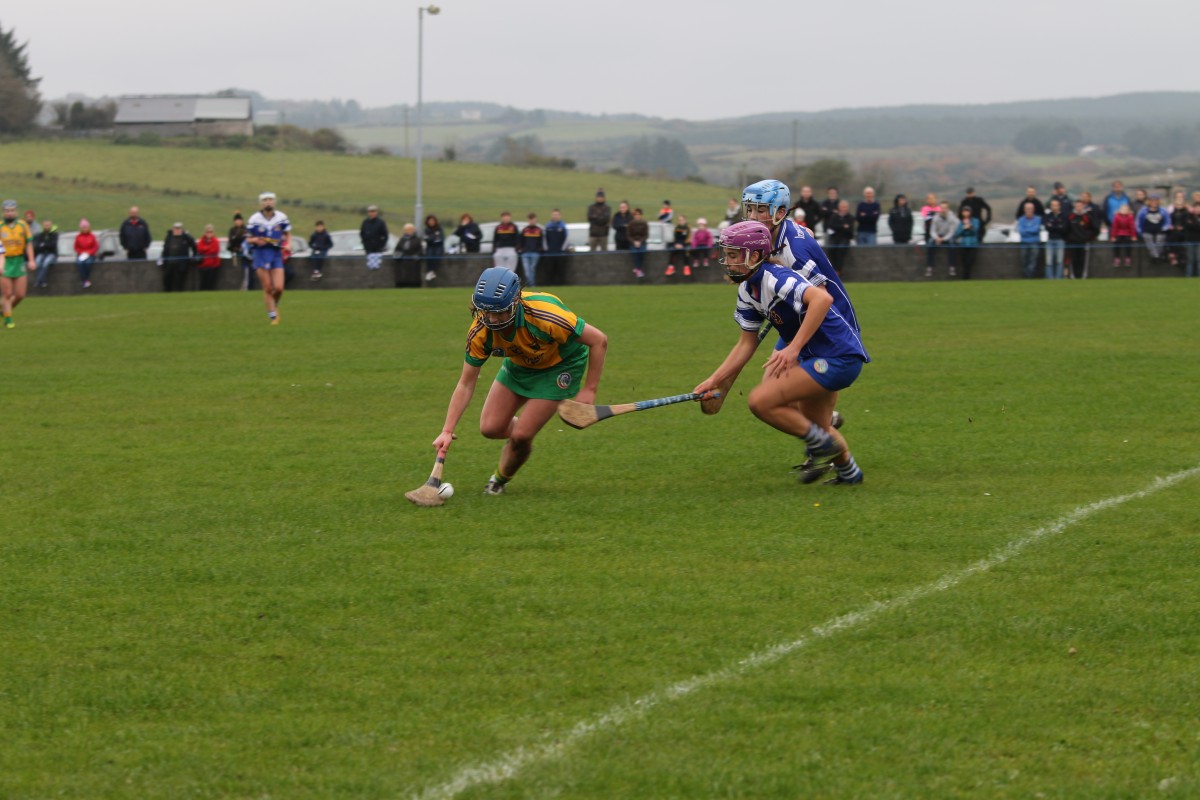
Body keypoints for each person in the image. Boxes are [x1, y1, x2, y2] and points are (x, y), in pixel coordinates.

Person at [693, 220, 868, 486]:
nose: (726, 262)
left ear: (753, 256)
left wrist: (793, 348)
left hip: (837, 357)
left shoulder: (775, 278)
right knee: (818, 423)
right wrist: (714, 380)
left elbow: (823, 299)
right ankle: (849, 473)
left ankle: (821, 444)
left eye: (731, 255)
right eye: (725, 254)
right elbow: (745, 344)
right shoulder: (747, 290)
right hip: (817, 358)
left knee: (761, 401)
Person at [430, 266, 608, 496]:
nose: (493, 319)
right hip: (521, 364)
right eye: (486, 312)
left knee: (523, 435)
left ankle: (498, 480)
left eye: (500, 312)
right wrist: (447, 430)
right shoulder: (480, 332)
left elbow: (599, 340)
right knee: (490, 428)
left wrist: (589, 390)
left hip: (561, 366)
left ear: (515, 302)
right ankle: (524, 429)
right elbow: (466, 383)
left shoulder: (548, 316)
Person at [247, 191, 291, 324]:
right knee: (267, 287)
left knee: (278, 288)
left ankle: (274, 304)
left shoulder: (281, 217)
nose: (268, 202)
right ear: (261, 203)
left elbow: (288, 234)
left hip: (276, 253)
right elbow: (247, 239)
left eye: (270, 200)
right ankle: (273, 317)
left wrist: (288, 244)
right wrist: (256, 240)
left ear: (274, 202)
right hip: (260, 254)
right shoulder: (254, 219)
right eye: (265, 200)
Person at [0, 200, 35, 328]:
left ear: (16, 212)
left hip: (19, 260)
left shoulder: (23, 225)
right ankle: (8, 320)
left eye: (12, 211)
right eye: (7, 211)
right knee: (7, 294)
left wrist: (31, 260)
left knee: (20, 295)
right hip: (5, 261)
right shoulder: (0, 226)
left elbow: (29, 244)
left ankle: (4, 310)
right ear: (4, 212)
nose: (10, 213)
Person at [160, 222, 197, 292]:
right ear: (173, 229)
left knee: (179, 281)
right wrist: (163, 259)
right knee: (167, 278)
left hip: (181, 264)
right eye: (176, 228)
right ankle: (167, 292)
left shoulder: (186, 237)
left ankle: (179, 293)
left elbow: (194, 246)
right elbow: (165, 249)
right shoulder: (168, 237)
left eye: (179, 229)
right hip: (169, 263)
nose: (177, 230)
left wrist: (194, 257)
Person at [1066, 199, 1098, 279]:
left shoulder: (1087, 216)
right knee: (1074, 260)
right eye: (1077, 206)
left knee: (1082, 260)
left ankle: (1083, 276)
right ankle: (1073, 276)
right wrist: (1069, 238)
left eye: (1080, 206)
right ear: (1075, 206)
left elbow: (1095, 228)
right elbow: (1065, 229)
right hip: (1073, 242)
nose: (1078, 207)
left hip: (1084, 242)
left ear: (1083, 206)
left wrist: (1088, 237)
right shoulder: (1070, 216)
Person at [927, 201, 957, 278]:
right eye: (942, 208)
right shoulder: (935, 218)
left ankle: (952, 267)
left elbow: (951, 232)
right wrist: (936, 238)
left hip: (947, 236)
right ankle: (929, 267)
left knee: (952, 246)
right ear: (940, 208)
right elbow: (932, 231)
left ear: (948, 209)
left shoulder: (952, 218)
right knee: (930, 245)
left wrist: (943, 239)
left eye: (945, 208)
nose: (943, 210)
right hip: (937, 236)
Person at [1136, 194, 1170, 262]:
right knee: (1147, 237)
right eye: (1152, 201)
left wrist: (1165, 228)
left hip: (1160, 230)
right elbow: (1138, 222)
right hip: (1147, 230)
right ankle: (1156, 256)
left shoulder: (1163, 210)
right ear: (1149, 202)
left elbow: (1168, 221)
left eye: (1155, 201)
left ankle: (1155, 256)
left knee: (1160, 238)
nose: (1154, 202)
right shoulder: (1143, 211)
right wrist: (1139, 231)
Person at [826, 200, 855, 274]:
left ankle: (839, 270)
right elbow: (831, 226)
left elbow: (850, 230)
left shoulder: (850, 217)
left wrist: (839, 227)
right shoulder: (834, 216)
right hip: (835, 238)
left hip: (845, 238)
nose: (843, 208)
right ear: (839, 207)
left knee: (840, 250)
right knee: (830, 249)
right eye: (842, 207)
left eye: (845, 207)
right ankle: (833, 269)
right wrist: (843, 226)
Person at [952, 206, 981, 279]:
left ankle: (966, 277)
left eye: (967, 211)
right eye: (964, 211)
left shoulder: (975, 221)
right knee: (964, 262)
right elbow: (957, 234)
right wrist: (963, 228)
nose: (966, 213)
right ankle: (965, 277)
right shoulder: (960, 222)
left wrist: (970, 227)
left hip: (972, 244)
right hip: (963, 244)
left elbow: (976, 231)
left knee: (970, 261)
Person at [1015, 202, 1042, 278]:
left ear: (1033, 210)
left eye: (1031, 209)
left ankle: (1031, 275)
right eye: (1027, 209)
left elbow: (1036, 230)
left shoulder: (1038, 219)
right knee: (1024, 259)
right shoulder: (1021, 220)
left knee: (1033, 260)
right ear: (1024, 210)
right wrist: (1030, 231)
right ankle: (1026, 275)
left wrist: (1027, 230)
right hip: (1024, 242)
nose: (1029, 210)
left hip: (1035, 242)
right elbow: (1021, 231)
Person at [542, 209, 569, 285]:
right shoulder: (548, 226)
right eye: (554, 215)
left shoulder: (563, 226)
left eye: (557, 215)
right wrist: (547, 249)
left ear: (559, 216)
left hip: (560, 253)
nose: (555, 216)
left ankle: (561, 284)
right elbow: (544, 239)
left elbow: (566, 239)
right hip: (550, 253)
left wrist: (562, 249)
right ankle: (549, 285)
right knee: (549, 270)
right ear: (551, 215)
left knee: (561, 270)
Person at [1044, 198, 1068, 279]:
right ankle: (1050, 278)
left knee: (1059, 261)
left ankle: (1058, 278)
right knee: (1049, 261)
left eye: (1055, 205)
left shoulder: (1064, 216)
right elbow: (1047, 228)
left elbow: (1064, 228)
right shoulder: (1048, 216)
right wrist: (1058, 226)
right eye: (1052, 205)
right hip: (1050, 240)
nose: (1054, 207)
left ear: (1059, 206)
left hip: (1060, 240)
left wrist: (1053, 226)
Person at [518, 212, 544, 287]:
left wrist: (539, 249)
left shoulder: (539, 230)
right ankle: (530, 284)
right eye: (531, 220)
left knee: (532, 269)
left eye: (534, 220)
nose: (532, 221)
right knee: (527, 270)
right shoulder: (525, 230)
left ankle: (531, 284)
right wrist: (521, 249)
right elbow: (521, 241)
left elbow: (541, 241)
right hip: (525, 252)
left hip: (535, 253)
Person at [360, 205, 389, 271]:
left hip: (377, 249)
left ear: (376, 212)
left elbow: (385, 235)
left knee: (377, 267)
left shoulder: (380, 222)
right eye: (370, 212)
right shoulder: (365, 222)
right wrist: (365, 243)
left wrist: (381, 245)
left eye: (373, 211)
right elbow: (362, 233)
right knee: (369, 267)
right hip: (368, 249)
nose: (372, 213)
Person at [393, 223, 423, 287]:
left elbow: (420, 251)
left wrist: (415, 257)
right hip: (402, 263)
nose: (409, 231)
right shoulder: (401, 240)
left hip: (413, 264)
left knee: (413, 277)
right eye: (407, 230)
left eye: (411, 229)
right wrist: (399, 256)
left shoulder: (417, 240)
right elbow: (397, 250)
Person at [32, 218, 58, 289]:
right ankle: (43, 281)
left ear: (51, 225)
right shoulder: (40, 235)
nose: (47, 227)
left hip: (51, 254)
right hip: (42, 253)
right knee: (37, 262)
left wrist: (44, 245)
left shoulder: (54, 235)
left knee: (45, 263)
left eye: (48, 225)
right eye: (45, 225)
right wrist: (45, 245)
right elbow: (37, 246)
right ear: (43, 226)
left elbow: (52, 246)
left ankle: (38, 281)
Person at [1109, 203, 1136, 268]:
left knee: (1128, 243)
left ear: (1128, 210)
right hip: (1119, 233)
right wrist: (1113, 236)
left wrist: (1133, 236)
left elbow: (1132, 227)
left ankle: (1128, 258)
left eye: (1126, 209)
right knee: (1116, 243)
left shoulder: (1130, 217)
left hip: (1127, 233)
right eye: (1123, 209)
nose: (1124, 210)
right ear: (1120, 210)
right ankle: (1117, 258)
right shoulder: (1116, 216)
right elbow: (1114, 227)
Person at [73, 219, 98, 289]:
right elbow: (76, 247)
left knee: (88, 263)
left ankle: (85, 280)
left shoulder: (92, 236)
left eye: (86, 227)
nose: (85, 229)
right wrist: (81, 252)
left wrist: (89, 252)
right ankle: (85, 280)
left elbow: (95, 246)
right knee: (79, 263)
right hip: (81, 255)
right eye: (83, 227)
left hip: (90, 255)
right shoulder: (78, 237)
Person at [1167, 190, 1189, 266]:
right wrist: (1171, 226)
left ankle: (1179, 257)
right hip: (1174, 231)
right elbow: (1169, 220)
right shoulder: (1172, 211)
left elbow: (1188, 222)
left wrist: (1183, 226)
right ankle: (1172, 255)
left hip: (1183, 232)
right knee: (1172, 238)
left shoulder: (1187, 211)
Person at [196, 224, 222, 290]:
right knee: (203, 282)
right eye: (208, 232)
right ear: (205, 232)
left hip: (213, 265)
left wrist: (205, 249)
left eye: (211, 232)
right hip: (203, 265)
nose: (209, 234)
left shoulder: (215, 241)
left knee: (211, 283)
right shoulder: (202, 240)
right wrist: (208, 248)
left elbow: (215, 250)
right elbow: (199, 249)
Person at [228, 212, 250, 290]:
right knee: (236, 271)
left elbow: (245, 240)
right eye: (236, 220)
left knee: (245, 271)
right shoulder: (232, 230)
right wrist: (238, 237)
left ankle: (245, 287)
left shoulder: (245, 229)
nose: (238, 222)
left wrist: (237, 238)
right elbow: (231, 241)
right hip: (235, 254)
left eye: (239, 220)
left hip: (245, 254)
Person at [627, 208, 649, 279]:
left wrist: (640, 241)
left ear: (641, 215)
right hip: (633, 243)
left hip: (642, 242)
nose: (637, 216)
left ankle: (637, 269)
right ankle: (638, 270)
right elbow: (628, 235)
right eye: (636, 214)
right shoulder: (630, 224)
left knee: (642, 252)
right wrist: (634, 242)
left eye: (639, 214)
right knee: (635, 253)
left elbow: (646, 235)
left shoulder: (644, 223)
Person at [423, 214, 444, 282]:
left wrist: (431, 237)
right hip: (430, 246)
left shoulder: (439, 228)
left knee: (437, 255)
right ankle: (430, 271)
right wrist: (434, 236)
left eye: (432, 221)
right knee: (429, 255)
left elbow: (441, 239)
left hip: (438, 246)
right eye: (430, 221)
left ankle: (432, 271)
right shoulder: (426, 229)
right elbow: (426, 239)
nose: (431, 222)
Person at [1183, 201, 1200, 278]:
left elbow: (1194, 226)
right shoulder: (1188, 216)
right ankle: (1188, 276)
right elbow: (1188, 226)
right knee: (1190, 260)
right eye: (1196, 208)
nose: (1197, 209)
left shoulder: (1191, 219)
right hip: (1190, 241)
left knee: (1199, 260)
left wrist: (1193, 224)